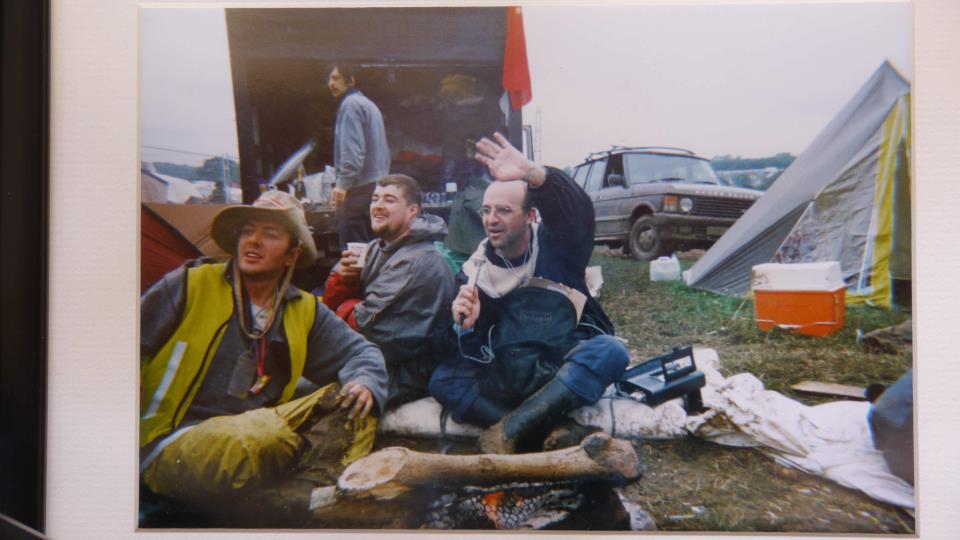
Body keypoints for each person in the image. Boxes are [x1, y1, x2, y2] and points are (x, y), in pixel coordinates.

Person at [139, 190, 388, 508]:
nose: (253, 241)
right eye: (247, 231)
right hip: (172, 440)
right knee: (262, 437)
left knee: (356, 401)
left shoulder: (303, 308)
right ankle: (287, 497)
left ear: (292, 255)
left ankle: (311, 492)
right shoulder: (190, 284)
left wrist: (364, 382)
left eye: (270, 234)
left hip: (260, 431)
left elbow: (362, 354)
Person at [428, 133, 629, 454]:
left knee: (611, 351)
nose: (491, 220)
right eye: (486, 210)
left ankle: (509, 431)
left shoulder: (559, 247)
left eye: (504, 210)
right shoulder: (472, 274)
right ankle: (553, 430)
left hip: (559, 364)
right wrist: (463, 328)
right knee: (443, 380)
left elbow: (577, 212)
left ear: (530, 215)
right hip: (509, 372)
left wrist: (535, 174)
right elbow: (454, 352)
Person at [323, 174, 455, 407]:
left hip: (401, 373)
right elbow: (328, 308)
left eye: (389, 200)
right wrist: (343, 279)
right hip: (368, 360)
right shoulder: (376, 247)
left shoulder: (420, 260)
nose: (378, 206)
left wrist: (344, 302)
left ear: (412, 211)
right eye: (375, 199)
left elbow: (364, 329)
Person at [327, 64, 391, 249]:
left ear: (351, 80)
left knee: (354, 253)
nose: (330, 83)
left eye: (336, 78)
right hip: (374, 188)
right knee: (372, 251)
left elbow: (352, 151)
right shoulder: (368, 104)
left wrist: (342, 184)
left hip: (358, 191)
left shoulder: (351, 105)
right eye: (329, 78)